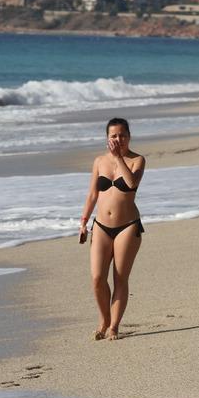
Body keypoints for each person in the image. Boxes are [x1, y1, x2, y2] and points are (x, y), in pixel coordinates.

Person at [79, 118, 145, 341]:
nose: (119, 139)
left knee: (120, 278)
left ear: (129, 136)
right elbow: (92, 195)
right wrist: (83, 221)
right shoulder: (99, 161)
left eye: (123, 135)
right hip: (100, 226)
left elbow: (131, 184)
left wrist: (119, 158)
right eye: (114, 136)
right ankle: (104, 319)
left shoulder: (137, 160)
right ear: (107, 138)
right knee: (97, 278)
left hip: (128, 226)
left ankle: (114, 325)